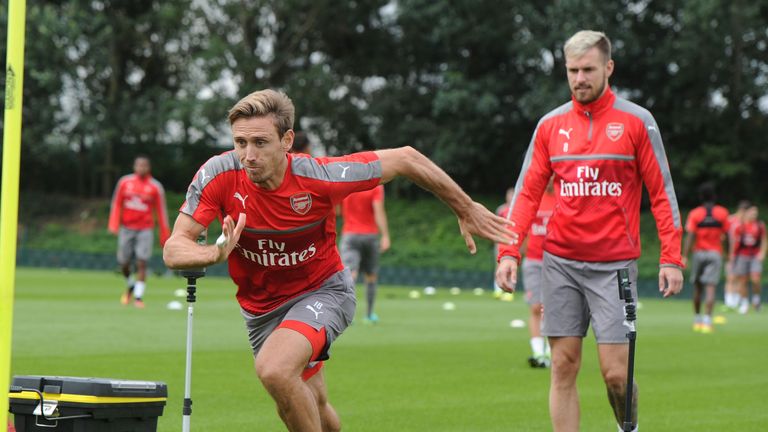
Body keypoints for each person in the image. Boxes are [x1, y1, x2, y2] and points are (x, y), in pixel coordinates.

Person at [162, 89, 513, 432]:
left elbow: (406, 157)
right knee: (312, 407)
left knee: (275, 370)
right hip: (260, 311)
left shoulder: (321, 176)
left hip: (323, 293)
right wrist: (215, 253)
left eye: (260, 143)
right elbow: (174, 247)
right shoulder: (219, 174)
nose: (248, 155)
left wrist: (465, 208)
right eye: (240, 143)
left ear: (287, 140)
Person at [495, 30, 684, 432]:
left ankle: (627, 427)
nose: (579, 78)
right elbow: (527, 193)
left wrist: (671, 257)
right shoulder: (549, 126)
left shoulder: (637, 122)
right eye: (572, 70)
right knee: (563, 366)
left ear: (608, 68)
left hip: (615, 266)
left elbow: (662, 194)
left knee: (616, 373)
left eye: (588, 70)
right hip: (560, 262)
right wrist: (509, 251)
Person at [108, 155, 170, 308]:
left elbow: (161, 212)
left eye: (144, 165)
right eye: (138, 165)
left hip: (145, 229)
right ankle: (130, 285)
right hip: (127, 228)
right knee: (123, 262)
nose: (141, 168)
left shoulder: (155, 187)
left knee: (142, 262)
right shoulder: (125, 182)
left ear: (148, 168)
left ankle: (138, 297)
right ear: (134, 167)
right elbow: (116, 203)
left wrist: (164, 236)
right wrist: (114, 224)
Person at [681, 182, 730, 333]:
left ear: (701, 197)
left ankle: (697, 320)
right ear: (714, 196)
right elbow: (727, 235)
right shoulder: (722, 213)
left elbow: (690, 236)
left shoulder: (695, 214)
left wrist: (684, 255)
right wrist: (728, 254)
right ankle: (708, 322)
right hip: (715, 253)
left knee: (697, 287)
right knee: (710, 288)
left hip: (699, 253)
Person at [339, 185, 390, 323]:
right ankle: (369, 315)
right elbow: (378, 210)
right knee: (371, 275)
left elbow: (336, 209)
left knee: (350, 274)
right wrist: (385, 235)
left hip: (349, 234)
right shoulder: (376, 185)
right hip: (369, 235)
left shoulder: (347, 183)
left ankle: (348, 316)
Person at [520, 177, 555, 367]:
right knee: (535, 307)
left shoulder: (563, 195)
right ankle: (538, 352)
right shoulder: (535, 197)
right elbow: (524, 227)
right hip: (533, 260)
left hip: (556, 260)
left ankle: (552, 352)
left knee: (553, 308)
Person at [730, 204, 766, 314]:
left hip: (755, 255)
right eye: (752, 212)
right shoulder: (739, 226)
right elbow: (734, 243)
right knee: (743, 280)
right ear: (746, 213)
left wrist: (762, 253)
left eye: (756, 213)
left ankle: (756, 299)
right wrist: (733, 256)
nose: (754, 214)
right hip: (742, 255)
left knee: (756, 279)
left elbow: (764, 240)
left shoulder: (760, 225)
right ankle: (744, 303)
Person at [723, 201, 750, 310]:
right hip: (731, 253)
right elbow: (724, 238)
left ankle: (736, 301)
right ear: (742, 211)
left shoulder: (747, 223)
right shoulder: (730, 220)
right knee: (730, 277)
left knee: (740, 278)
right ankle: (729, 302)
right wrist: (727, 253)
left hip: (742, 254)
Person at [493, 187, 516, 300]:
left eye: (513, 195)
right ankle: (497, 290)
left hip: (514, 241)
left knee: (513, 266)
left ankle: (509, 291)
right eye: (509, 195)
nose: (511, 197)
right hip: (501, 240)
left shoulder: (518, 210)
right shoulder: (501, 209)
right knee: (499, 264)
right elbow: (496, 224)